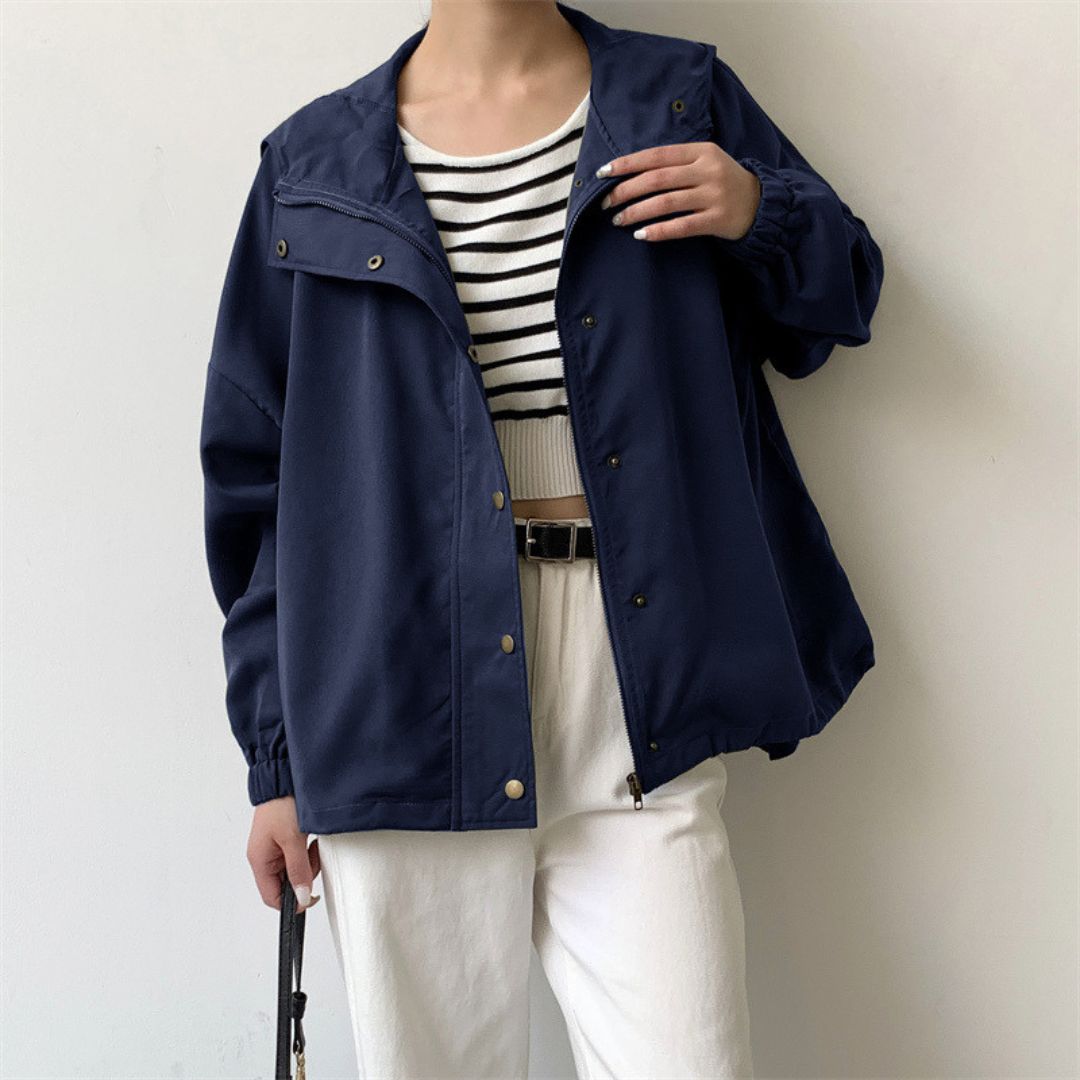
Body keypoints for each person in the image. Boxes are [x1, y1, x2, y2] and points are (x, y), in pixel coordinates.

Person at [199, 1, 885, 1076]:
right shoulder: (314, 164)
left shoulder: (673, 99)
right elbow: (260, 487)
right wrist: (275, 761)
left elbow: (840, 304)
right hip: (402, 700)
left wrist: (760, 211)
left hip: (638, 689)